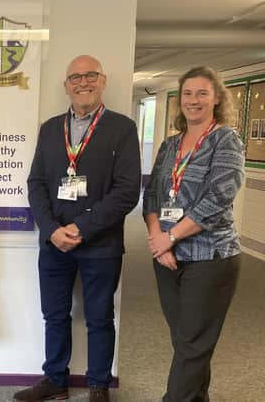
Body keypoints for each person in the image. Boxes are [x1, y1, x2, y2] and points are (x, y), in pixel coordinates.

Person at [14, 55, 141, 402]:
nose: (82, 82)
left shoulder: (122, 128)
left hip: (100, 244)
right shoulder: (51, 128)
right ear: (65, 85)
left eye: (90, 76)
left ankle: (99, 384)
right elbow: (36, 183)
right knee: (54, 315)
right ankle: (55, 379)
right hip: (54, 243)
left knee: (99, 317)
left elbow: (128, 191)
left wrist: (82, 228)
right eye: (75, 77)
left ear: (103, 81)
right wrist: (53, 230)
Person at [143, 66, 244, 402]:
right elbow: (153, 196)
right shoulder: (171, 145)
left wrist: (171, 238)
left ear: (217, 98)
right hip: (168, 259)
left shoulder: (225, 140)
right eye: (188, 93)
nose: (194, 100)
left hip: (210, 258)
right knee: (187, 342)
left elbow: (219, 198)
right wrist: (160, 242)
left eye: (202, 93)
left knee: (192, 343)